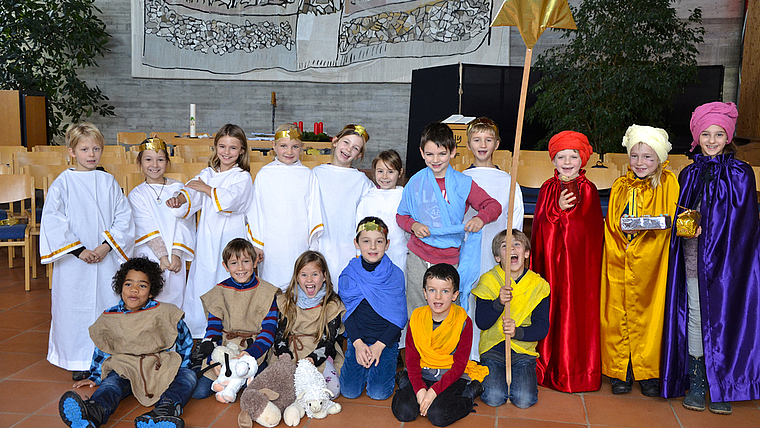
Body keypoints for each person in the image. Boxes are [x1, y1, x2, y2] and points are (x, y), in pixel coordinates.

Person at [662, 102, 760, 414]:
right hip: (693, 261)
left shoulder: (742, 174)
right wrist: (684, 225)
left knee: (727, 318)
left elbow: (745, 223)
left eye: (719, 134)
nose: (712, 139)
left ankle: (724, 382)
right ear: (696, 137)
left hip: (729, 267)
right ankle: (699, 377)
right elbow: (682, 214)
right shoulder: (689, 173)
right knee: (694, 316)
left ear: (728, 136)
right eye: (706, 133)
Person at [40, 123, 134, 381]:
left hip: (105, 258)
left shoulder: (108, 181)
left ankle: (107, 356)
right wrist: (79, 250)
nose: (91, 154)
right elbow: (53, 220)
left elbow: (123, 217)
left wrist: (106, 246)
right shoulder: (63, 183)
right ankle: (79, 359)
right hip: (75, 262)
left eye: (95, 149)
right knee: (74, 307)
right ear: (71, 151)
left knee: (106, 304)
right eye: (84, 149)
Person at [58, 257, 195, 428]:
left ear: (152, 291)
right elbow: (103, 347)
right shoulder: (110, 316)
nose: (134, 290)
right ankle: (92, 415)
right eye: (128, 284)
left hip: (157, 365)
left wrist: (183, 366)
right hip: (125, 366)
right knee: (111, 384)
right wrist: (95, 376)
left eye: (142, 286)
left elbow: (185, 339)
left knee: (188, 377)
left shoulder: (164, 312)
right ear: (121, 287)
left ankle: (162, 414)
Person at [600, 125, 679, 397]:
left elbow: (669, 219)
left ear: (659, 158)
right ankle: (622, 370)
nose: (640, 162)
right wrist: (624, 233)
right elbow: (612, 223)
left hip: (653, 261)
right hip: (621, 257)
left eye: (648, 157)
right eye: (635, 156)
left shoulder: (668, 183)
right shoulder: (620, 185)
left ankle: (649, 371)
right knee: (618, 313)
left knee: (650, 315)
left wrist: (645, 232)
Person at [396, 122, 501, 319]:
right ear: (421, 152)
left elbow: (493, 206)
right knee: (418, 311)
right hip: (418, 255)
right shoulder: (415, 182)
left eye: (442, 154)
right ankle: (419, 350)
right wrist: (414, 225)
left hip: (450, 258)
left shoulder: (463, 183)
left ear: (453, 152)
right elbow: (401, 216)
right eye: (429, 154)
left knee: (449, 311)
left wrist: (480, 218)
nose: (435, 160)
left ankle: (448, 350)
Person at [530, 130, 604, 393]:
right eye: (562, 156)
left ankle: (575, 371)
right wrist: (556, 209)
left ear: (582, 159)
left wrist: (566, 214)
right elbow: (540, 229)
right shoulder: (547, 189)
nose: (568, 161)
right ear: (553, 160)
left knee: (574, 313)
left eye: (573, 156)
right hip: (550, 265)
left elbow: (588, 234)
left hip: (578, 270)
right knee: (551, 309)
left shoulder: (589, 190)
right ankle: (546, 364)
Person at [166, 124, 253, 338]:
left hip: (231, 236)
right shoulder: (207, 173)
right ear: (215, 147)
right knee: (203, 280)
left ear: (242, 150)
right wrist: (180, 199)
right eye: (222, 146)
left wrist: (206, 189)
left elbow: (230, 200)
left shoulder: (242, 177)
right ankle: (198, 333)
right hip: (206, 237)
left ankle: (229, 332)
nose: (226, 152)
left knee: (228, 277)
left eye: (233, 148)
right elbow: (190, 191)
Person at [391, 263, 488, 427]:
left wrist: (433, 393)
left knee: (438, 416)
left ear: (454, 295)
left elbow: (459, 365)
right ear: (425, 293)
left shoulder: (463, 322)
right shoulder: (417, 318)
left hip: (450, 376)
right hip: (422, 371)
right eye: (432, 290)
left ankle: (469, 394)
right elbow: (412, 358)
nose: (438, 297)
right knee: (404, 411)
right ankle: (408, 382)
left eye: (445, 291)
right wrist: (421, 390)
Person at [462, 117, 524, 361]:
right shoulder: (460, 179)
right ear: (468, 145)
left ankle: (491, 353)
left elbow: (515, 220)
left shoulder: (508, 182)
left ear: (497, 144)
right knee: (468, 301)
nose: (482, 144)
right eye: (477, 140)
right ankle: (467, 355)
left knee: (493, 300)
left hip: (495, 254)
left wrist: (507, 253)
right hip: (468, 254)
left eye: (488, 139)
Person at [192, 238, 279, 399]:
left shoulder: (267, 292)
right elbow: (212, 329)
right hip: (225, 347)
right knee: (200, 392)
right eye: (234, 263)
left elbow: (269, 331)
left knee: (255, 390)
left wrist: (249, 354)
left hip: (254, 348)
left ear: (254, 262)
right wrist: (214, 359)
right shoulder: (219, 292)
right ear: (225, 266)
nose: (240, 268)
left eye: (246, 261)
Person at [473, 230, 550, 408]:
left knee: (524, 400)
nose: (512, 248)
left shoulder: (538, 286)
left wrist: (517, 332)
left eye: (517, 244)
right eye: (504, 246)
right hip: (493, 349)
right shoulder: (488, 280)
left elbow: (541, 327)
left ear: (526, 253)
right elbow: (482, 322)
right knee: (494, 398)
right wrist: (498, 303)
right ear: (497, 257)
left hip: (523, 351)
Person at [246, 124, 323, 291]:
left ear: (302, 148)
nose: (289, 152)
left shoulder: (308, 175)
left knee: (298, 285)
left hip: (299, 241)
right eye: (283, 146)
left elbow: (314, 209)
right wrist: (257, 243)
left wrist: (313, 246)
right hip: (272, 242)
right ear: (274, 146)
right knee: (272, 288)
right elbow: (256, 210)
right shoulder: (264, 175)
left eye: (295, 147)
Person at [339, 217, 407, 400]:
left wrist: (379, 346)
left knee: (378, 394)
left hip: (384, 343)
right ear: (357, 243)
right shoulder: (348, 275)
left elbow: (399, 318)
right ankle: (365, 366)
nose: (373, 247)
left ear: (387, 244)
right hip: (358, 341)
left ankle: (385, 368)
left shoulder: (395, 275)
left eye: (379, 241)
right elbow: (347, 314)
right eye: (366, 241)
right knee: (349, 392)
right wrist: (358, 344)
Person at [128, 137, 195, 307]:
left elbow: (184, 221)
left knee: (173, 297)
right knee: (149, 294)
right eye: (148, 159)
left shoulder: (178, 189)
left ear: (167, 162)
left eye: (160, 160)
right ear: (140, 162)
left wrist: (176, 254)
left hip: (174, 255)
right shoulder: (137, 194)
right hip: (150, 254)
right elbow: (145, 225)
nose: (155, 165)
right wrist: (162, 257)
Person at [273, 250, 345, 397]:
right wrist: (284, 355)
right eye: (304, 275)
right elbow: (280, 334)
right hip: (291, 350)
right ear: (297, 277)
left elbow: (329, 340)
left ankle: (311, 395)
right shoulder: (287, 301)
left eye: (315, 274)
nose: (309, 280)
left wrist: (312, 359)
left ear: (324, 276)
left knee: (332, 391)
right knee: (281, 388)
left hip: (319, 353)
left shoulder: (332, 304)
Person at [312, 124, 374, 288]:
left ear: (358, 155)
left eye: (355, 148)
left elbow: (368, 214)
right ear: (335, 141)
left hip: (346, 243)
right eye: (346, 142)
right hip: (321, 240)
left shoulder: (362, 181)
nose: (348, 149)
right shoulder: (316, 174)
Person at [356, 150, 409, 275]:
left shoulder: (405, 197)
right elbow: (359, 229)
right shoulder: (367, 198)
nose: (385, 176)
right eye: (380, 171)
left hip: (399, 254)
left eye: (390, 172)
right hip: (372, 255)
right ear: (374, 171)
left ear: (400, 173)